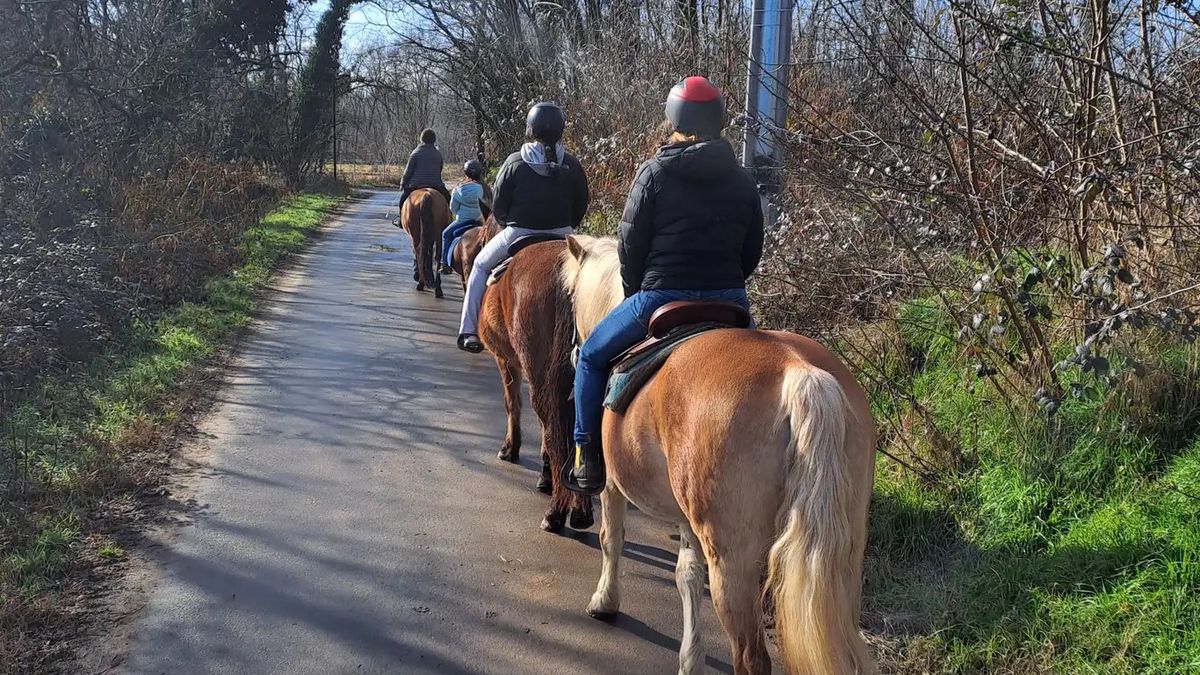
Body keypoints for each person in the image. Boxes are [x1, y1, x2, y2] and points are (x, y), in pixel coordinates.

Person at [566, 76, 764, 495]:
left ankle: (586, 454)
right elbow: (752, 251)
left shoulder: (654, 172)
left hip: (661, 296)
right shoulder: (744, 180)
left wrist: (638, 290)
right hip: (729, 301)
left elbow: (630, 248)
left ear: (674, 118)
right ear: (720, 121)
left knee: (590, 357)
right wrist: (726, 286)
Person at [456, 102, 590, 353]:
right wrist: (566, 226)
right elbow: (582, 203)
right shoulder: (571, 164)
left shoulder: (515, 162)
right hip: (564, 234)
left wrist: (510, 224)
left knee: (480, 266)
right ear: (561, 130)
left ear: (531, 129)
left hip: (519, 232)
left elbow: (499, 206)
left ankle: (469, 331)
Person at [440, 159, 488, 271]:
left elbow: (453, 208)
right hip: (481, 221)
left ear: (466, 173)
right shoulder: (486, 189)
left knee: (445, 234)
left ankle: (445, 263)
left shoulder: (458, 189)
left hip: (462, 221)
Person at [399, 128, 451, 208]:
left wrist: (403, 183)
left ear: (421, 139)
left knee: (402, 201)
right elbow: (439, 169)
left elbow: (408, 171)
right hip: (435, 184)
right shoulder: (438, 154)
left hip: (415, 184)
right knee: (448, 199)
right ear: (434, 140)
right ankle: (449, 217)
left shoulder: (415, 153)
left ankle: (401, 220)